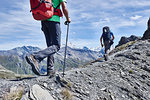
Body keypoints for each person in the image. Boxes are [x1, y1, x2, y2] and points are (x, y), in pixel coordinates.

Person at [26, 0, 71, 77]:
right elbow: (64, 7)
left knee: (50, 47)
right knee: (56, 46)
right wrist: (68, 18)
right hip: (54, 21)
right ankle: (35, 57)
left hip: (44, 21)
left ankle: (50, 70)